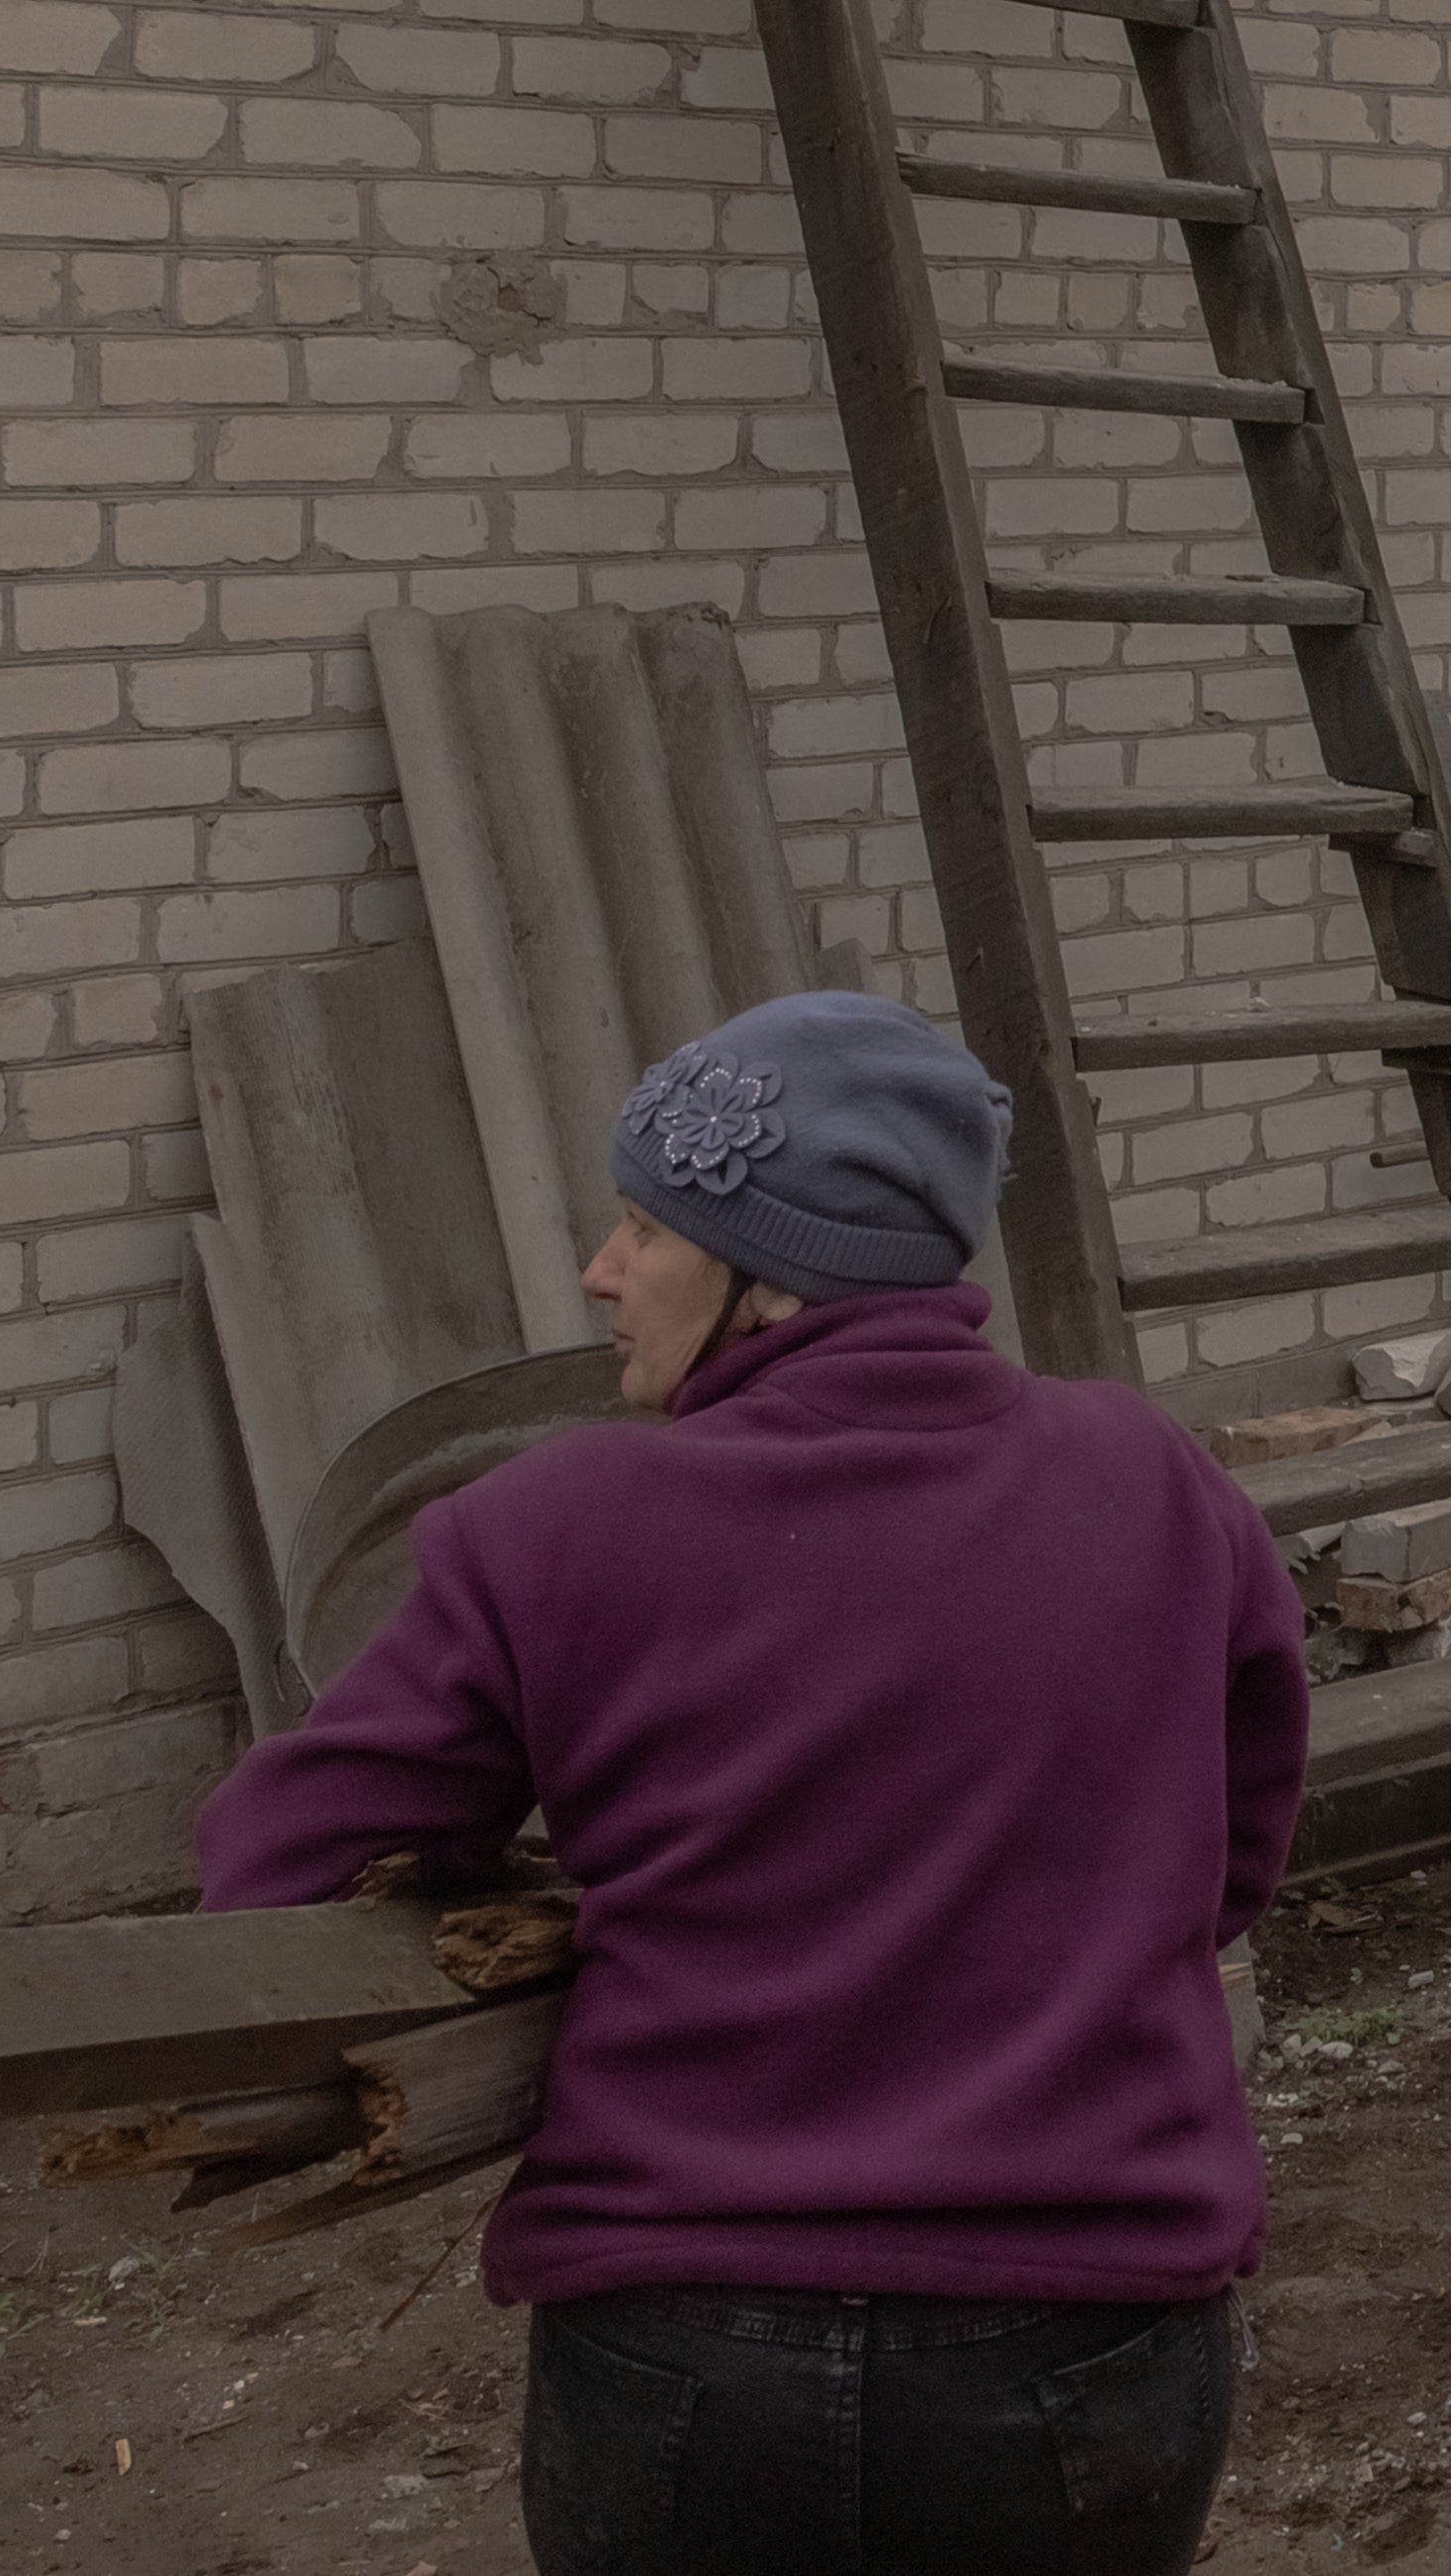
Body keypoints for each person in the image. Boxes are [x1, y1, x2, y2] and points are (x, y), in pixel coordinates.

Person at [199, 989, 1304, 2576]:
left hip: (691, 2348)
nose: (598, 1266)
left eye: (645, 1227)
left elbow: (274, 1867)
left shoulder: (552, 1523)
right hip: (1082, 2330)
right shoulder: (1154, 1482)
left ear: (775, 1277)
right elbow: (1232, 1858)